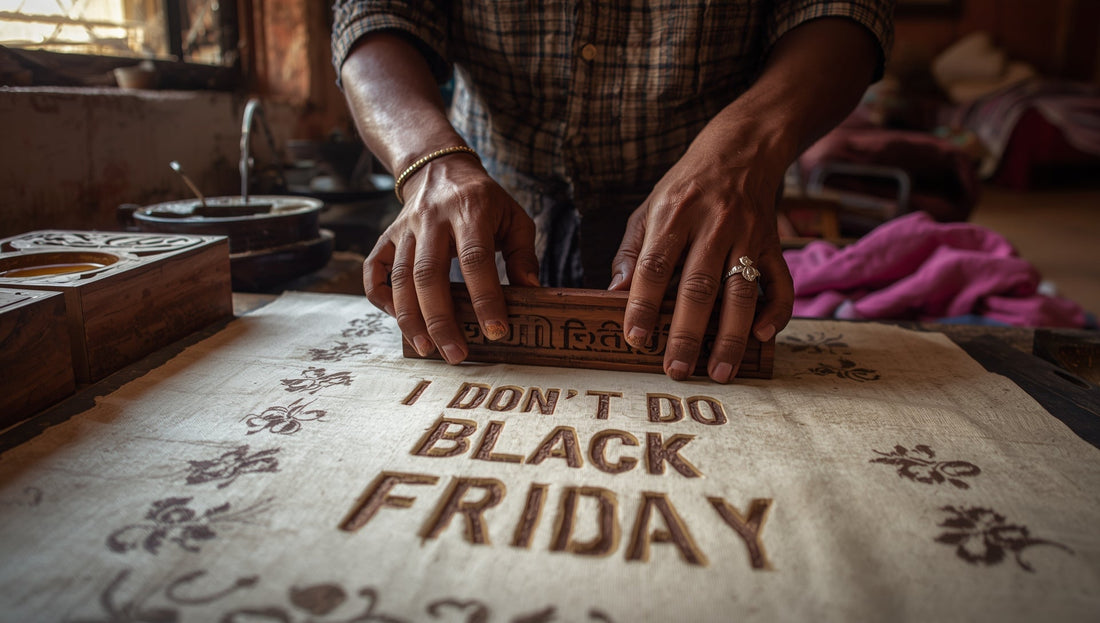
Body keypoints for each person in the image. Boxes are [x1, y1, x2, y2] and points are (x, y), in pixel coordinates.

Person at [332, 1, 894, 383]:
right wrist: (429, 162)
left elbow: (842, 13)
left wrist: (742, 154)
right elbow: (373, 13)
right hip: (480, 228)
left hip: (708, 229)